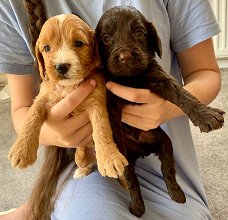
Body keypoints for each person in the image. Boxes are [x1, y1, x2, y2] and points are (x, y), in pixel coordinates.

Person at [0, 0, 222, 219]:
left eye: (137, 34)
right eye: (107, 39)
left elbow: (205, 72)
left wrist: (168, 108)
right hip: (88, 166)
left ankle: (42, 207)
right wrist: (50, 133)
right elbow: (23, 109)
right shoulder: (11, 4)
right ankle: (47, 201)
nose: (124, 54)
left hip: (164, 154)